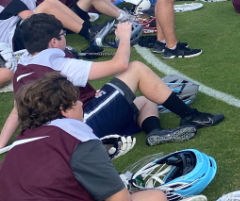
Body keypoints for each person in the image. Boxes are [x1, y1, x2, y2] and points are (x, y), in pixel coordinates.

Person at [0, 74, 210, 201]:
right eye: (76, 101)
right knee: (156, 198)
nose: (81, 104)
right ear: (64, 110)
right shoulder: (76, 136)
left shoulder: (20, 143)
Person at [0, 13, 225, 149]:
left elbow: (17, 109)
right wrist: (124, 37)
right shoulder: (57, 63)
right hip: (77, 126)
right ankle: (190, 116)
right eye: (62, 35)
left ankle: (155, 132)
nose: (64, 39)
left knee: (145, 100)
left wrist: (1, 143)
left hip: (57, 134)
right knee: (137, 69)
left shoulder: (23, 67)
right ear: (52, 42)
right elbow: (120, 65)